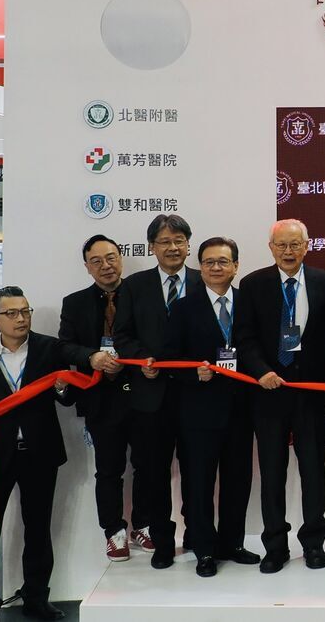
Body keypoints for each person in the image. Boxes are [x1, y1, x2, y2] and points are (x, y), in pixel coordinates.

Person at [0, 286, 116, 620]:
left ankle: (36, 598)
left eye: (25, 311)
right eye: (12, 313)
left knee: (39, 528)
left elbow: (67, 396)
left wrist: (63, 386)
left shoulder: (48, 348)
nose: (21, 319)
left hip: (39, 453)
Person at [234, 218, 325, 574]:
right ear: (271, 248)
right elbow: (244, 337)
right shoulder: (252, 284)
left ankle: (314, 544)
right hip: (268, 393)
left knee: (313, 471)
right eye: (282, 245)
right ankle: (275, 547)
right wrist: (261, 370)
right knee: (272, 473)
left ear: (307, 247)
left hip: (311, 394)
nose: (288, 251)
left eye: (295, 244)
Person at [164, 237, 260, 577]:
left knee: (238, 480)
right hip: (199, 410)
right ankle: (204, 549)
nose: (216, 268)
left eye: (223, 261)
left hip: (241, 408)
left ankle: (232, 544)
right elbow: (169, 358)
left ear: (235, 266)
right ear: (200, 267)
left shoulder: (250, 303)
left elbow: (257, 349)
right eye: (209, 262)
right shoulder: (183, 307)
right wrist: (193, 373)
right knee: (199, 482)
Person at [113, 214, 201, 568]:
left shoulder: (204, 281)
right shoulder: (135, 286)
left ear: (189, 245)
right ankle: (163, 542)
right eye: (165, 241)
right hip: (150, 396)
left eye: (179, 240)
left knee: (197, 471)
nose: (173, 247)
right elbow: (122, 335)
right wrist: (140, 360)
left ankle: (198, 537)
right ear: (152, 247)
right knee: (154, 473)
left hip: (196, 395)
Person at [58, 235, 148, 562]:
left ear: (121, 258)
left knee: (147, 465)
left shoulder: (142, 295)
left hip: (142, 395)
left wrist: (134, 358)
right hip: (101, 398)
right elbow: (65, 346)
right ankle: (114, 531)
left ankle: (143, 524)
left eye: (111, 258)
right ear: (87, 267)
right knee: (108, 470)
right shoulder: (75, 303)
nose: (105, 266)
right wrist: (91, 357)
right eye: (96, 261)